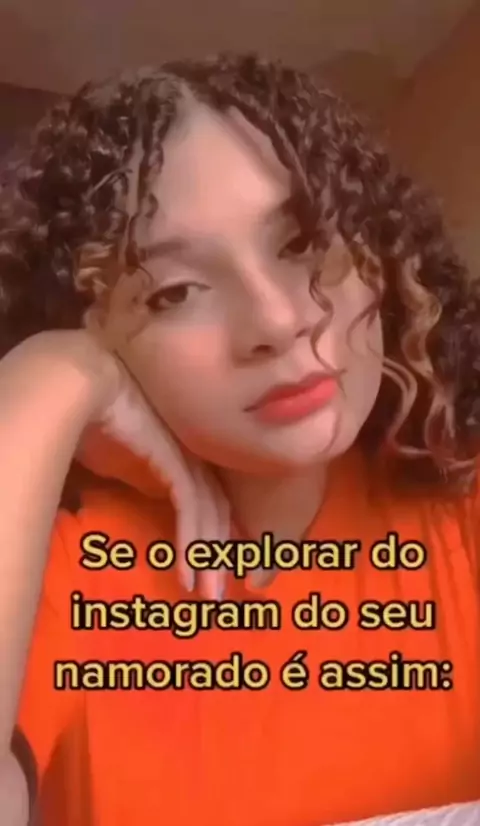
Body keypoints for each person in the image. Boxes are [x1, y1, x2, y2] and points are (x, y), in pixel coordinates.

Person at [0, 52, 480, 826]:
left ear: (381, 253)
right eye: (174, 292)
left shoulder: (461, 509)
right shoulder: (72, 582)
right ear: (102, 336)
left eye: (301, 242)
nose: (277, 322)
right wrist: (50, 378)